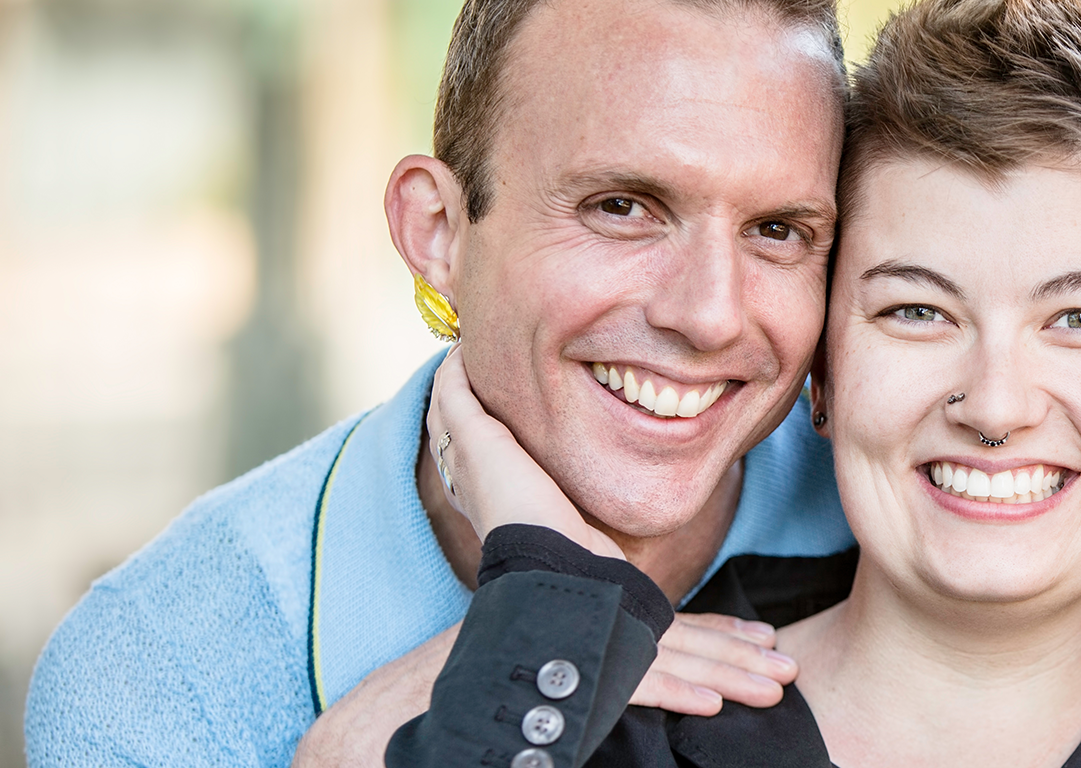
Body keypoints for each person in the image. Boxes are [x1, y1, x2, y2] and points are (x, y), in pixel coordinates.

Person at [314, 0, 1081, 764]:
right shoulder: (586, 722)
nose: (994, 405)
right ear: (823, 372)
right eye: (916, 311)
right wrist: (552, 602)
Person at [26, 0, 854, 763]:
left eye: (778, 230)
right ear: (438, 232)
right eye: (621, 206)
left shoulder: (907, 520)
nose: (709, 315)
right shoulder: (161, 674)